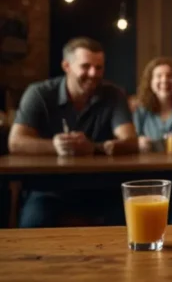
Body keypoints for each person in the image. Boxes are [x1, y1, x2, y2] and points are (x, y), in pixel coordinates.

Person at [8, 37, 137, 227]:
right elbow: (16, 142)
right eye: (85, 66)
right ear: (66, 66)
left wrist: (92, 147)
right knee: (32, 224)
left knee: (129, 225)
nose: (93, 73)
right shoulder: (39, 93)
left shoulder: (113, 94)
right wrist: (55, 146)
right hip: (49, 189)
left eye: (99, 67)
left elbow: (130, 141)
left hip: (102, 188)